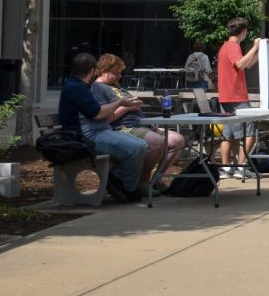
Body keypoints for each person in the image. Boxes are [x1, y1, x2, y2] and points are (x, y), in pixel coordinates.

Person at [60, 52, 146, 202]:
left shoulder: (78, 86)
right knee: (137, 148)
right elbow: (97, 114)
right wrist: (120, 103)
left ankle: (119, 180)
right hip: (86, 137)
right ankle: (124, 186)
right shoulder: (77, 88)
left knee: (143, 145)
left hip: (98, 131)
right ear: (93, 70)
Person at [92, 54, 184, 193]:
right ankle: (142, 183)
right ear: (104, 71)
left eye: (120, 73)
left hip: (140, 125)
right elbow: (106, 118)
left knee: (177, 140)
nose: (119, 77)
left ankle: (156, 179)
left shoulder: (116, 87)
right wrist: (127, 107)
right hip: (122, 129)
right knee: (157, 142)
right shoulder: (98, 89)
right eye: (116, 73)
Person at [217, 16, 261, 179]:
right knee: (248, 132)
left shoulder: (225, 47)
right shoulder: (234, 46)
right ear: (243, 32)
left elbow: (247, 64)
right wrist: (254, 47)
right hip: (237, 96)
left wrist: (259, 52)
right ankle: (241, 167)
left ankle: (226, 167)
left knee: (228, 134)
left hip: (226, 96)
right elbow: (240, 64)